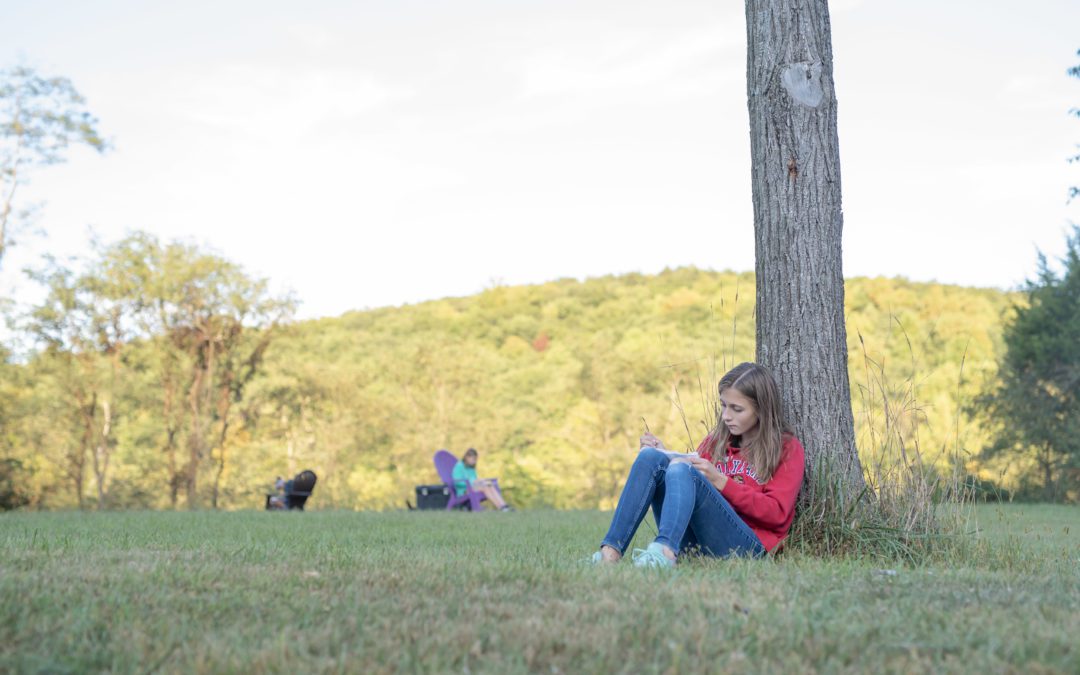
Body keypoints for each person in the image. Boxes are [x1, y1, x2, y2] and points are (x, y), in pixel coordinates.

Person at [590, 362, 805, 567]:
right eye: (723, 406)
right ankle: (609, 555)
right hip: (698, 542)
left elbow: (777, 514)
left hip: (747, 546)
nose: (726, 416)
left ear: (761, 410)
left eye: (737, 409)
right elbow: (686, 479)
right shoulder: (717, 442)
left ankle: (664, 554)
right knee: (651, 458)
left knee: (685, 471)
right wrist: (665, 454)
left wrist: (722, 482)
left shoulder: (786, 448)